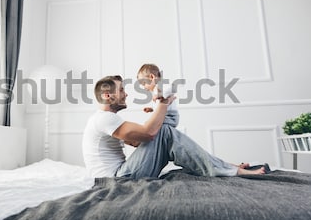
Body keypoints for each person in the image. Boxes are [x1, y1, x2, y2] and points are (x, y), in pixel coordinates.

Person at [82, 74, 266, 179]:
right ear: (107, 96)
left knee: (166, 134)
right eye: (121, 90)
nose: (126, 94)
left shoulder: (106, 120)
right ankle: (228, 169)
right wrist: (163, 103)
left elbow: (139, 142)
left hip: (121, 174)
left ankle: (223, 166)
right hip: (116, 179)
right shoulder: (104, 119)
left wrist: (159, 111)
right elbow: (150, 133)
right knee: (162, 131)